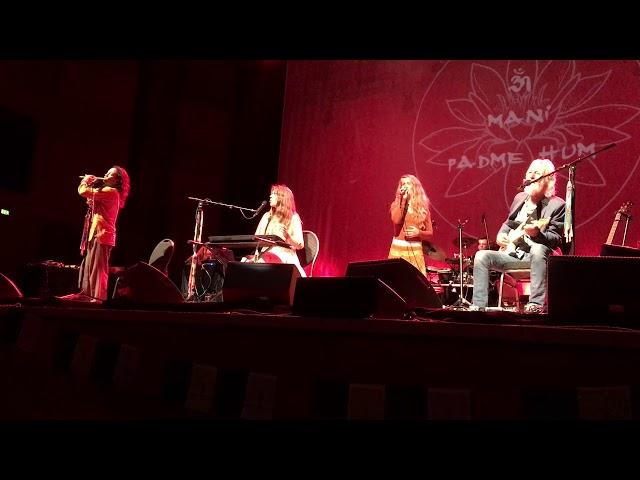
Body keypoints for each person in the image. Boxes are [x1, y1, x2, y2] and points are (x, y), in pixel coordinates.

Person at [471, 159, 565, 314]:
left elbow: (555, 238)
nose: (531, 176)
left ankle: (535, 304)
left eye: (537, 173)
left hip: (539, 258)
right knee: (482, 256)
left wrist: (537, 234)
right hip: (514, 256)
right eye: (529, 172)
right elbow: (509, 223)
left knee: (538, 248)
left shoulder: (557, 204)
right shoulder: (520, 198)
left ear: (548, 180)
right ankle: (478, 307)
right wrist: (501, 234)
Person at [75, 166, 130, 302]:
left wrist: (86, 181)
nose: (105, 174)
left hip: (103, 235)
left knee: (98, 271)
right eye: (106, 171)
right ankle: (88, 298)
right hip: (96, 233)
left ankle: (98, 300)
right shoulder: (107, 192)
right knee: (90, 270)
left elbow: (83, 191)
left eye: (110, 174)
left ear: (117, 181)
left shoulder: (111, 191)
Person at [245, 184, 306, 277]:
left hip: (285, 257)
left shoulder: (294, 217)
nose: (270, 196)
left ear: (282, 198)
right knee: (245, 264)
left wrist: (288, 237)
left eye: (274, 193)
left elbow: (300, 245)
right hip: (266, 254)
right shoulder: (267, 216)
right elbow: (257, 238)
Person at [388, 174, 434, 275]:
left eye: (408, 183)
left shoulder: (423, 208)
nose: (404, 186)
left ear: (415, 187)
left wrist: (419, 233)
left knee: (415, 284)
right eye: (402, 184)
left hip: (415, 251)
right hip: (397, 250)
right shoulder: (396, 204)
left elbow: (430, 233)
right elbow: (396, 220)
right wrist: (402, 200)